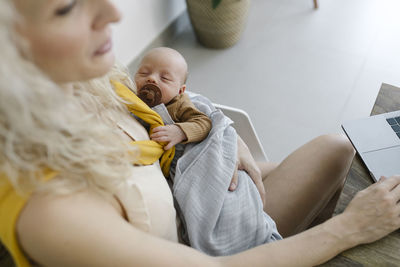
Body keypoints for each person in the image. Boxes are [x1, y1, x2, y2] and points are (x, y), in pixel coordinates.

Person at [0, 0, 399, 266]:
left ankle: (299, 239)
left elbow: (177, 106)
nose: (113, 13)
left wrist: (231, 143)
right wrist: (349, 228)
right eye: (67, 8)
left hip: (196, 197)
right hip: (208, 249)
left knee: (337, 149)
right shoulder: (51, 212)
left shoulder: (91, 82)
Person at [134, 47, 212, 153]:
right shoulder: (132, 95)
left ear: (180, 91)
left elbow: (204, 123)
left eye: (164, 78)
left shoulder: (179, 104)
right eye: (144, 73)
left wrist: (180, 132)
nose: (151, 78)